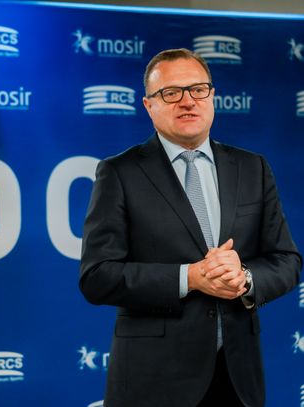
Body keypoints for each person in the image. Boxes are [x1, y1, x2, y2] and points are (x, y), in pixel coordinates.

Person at [79, 48, 301, 407]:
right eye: (171, 93)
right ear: (149, 105)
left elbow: (286, 260)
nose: (187, 101)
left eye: (198, 89)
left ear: (212, 96)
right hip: (154, 381)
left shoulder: (253, 168)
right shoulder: (119, 173)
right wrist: (189, 277)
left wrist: (245, 278)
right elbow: (97, 276)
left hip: (237, 378)